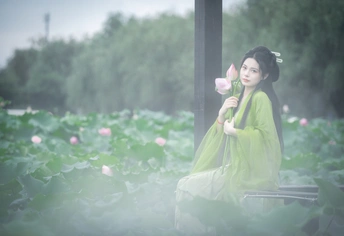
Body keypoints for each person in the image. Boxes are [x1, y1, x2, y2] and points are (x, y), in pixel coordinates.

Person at [175, 46, 283, 233]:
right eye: (244, 68)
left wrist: (236, 133)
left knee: (185, 186)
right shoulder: (236, 97)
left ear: (264, 76)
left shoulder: (261, 99)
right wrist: (221, 113)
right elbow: (221, 133)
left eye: (254, 70)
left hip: (248, 173)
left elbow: (268, 139)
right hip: (232, 168)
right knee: (186, 185)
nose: (246, 74)